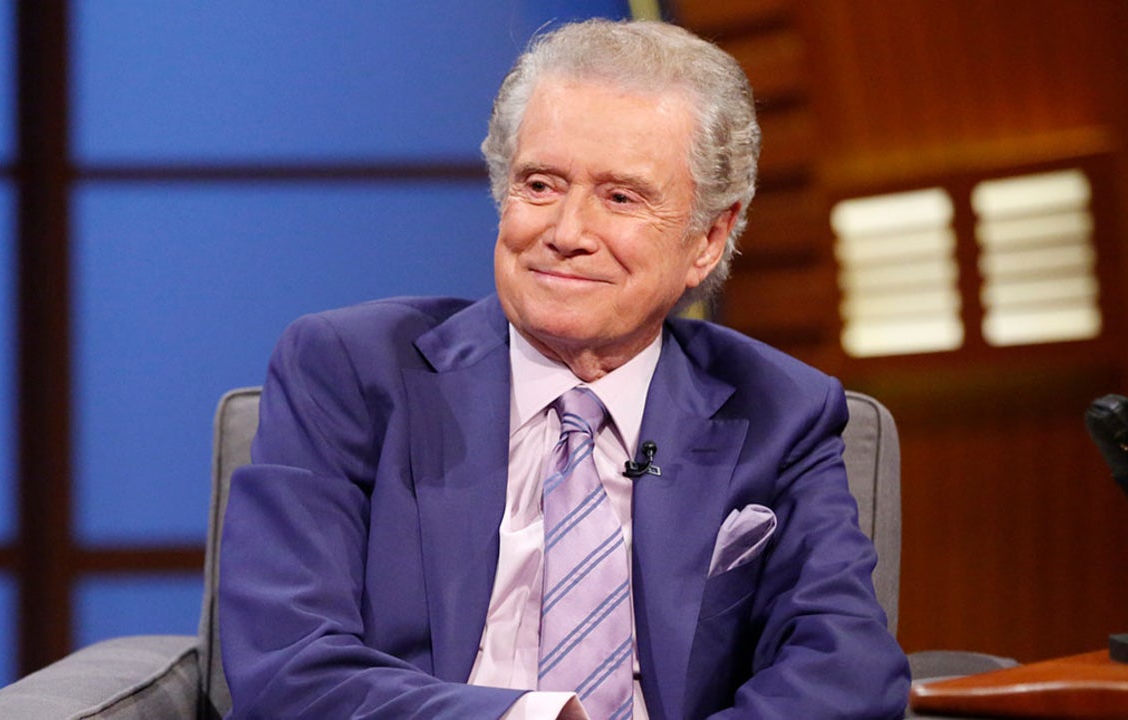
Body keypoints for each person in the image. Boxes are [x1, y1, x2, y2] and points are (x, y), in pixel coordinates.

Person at [219, 18, 910, 720]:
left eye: (621, 197)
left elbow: (847, 670)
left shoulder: (779, 412)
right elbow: (288, 666)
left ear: (707, 239)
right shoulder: (351, 372)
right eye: (541, 184)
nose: (567, 232)